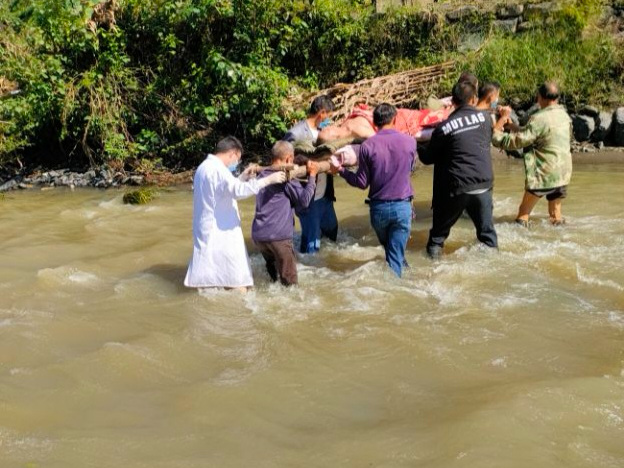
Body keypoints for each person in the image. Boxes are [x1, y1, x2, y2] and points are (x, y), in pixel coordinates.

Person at [184, 136, 287, 291]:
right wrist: (267, 180)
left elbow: (225, 190)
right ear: (232, 153)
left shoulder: (204, 167)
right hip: (222, 232)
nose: (235, 163)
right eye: (237, 159)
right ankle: (243, 306)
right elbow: (237, 191)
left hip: (209, 228)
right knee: (237, 279)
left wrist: (243, 177)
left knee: (213, 275)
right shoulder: (219, 169)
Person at [330, 103, 416, 277]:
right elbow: (410, 168)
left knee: (390, 250)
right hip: (402, 207)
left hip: (379, 211)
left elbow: (361, 183)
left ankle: (399, 273)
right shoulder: (410, 142)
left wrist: (341, 171)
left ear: (374, 123)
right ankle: (397, 290)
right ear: (394, 119)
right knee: (395, 256)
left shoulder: (367, 146)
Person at [419, 81, 498, 259]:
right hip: (483, 185)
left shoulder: (443, 128)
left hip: (456, 188)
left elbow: (428, 158)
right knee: (487, 236)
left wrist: (419, 146)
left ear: (453, 101)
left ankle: (433, 271)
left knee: (437, 238)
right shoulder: (486, 119)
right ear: (473, 99)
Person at [492, 81, 572, 226]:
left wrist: (497, 134)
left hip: (544, 174)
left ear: (539, 97)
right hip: (562, 173)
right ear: (557, 97)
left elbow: (518, 141)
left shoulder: (539, 118)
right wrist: (513, 126)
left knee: (524, 211)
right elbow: (539, 134)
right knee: (555, 215)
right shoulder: (564, 116)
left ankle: (519, 240)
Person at [252, 141, 319, 286]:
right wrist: (312, 176)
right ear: (289, 159)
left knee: (274, 278)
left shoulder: (261, 175)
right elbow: (304, 201)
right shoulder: (285, 177)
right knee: (290, 284)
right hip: (278, 236)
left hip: (259, 236)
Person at [283, 95, 339, 254]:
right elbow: (282, 158)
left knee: (331, 231)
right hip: (307, 196)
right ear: (322, 113)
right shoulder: (296, 133)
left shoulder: (324, 131)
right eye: (328, 115)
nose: (328, 119)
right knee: (311, 243)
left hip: (325, 194)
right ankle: (309, 271)